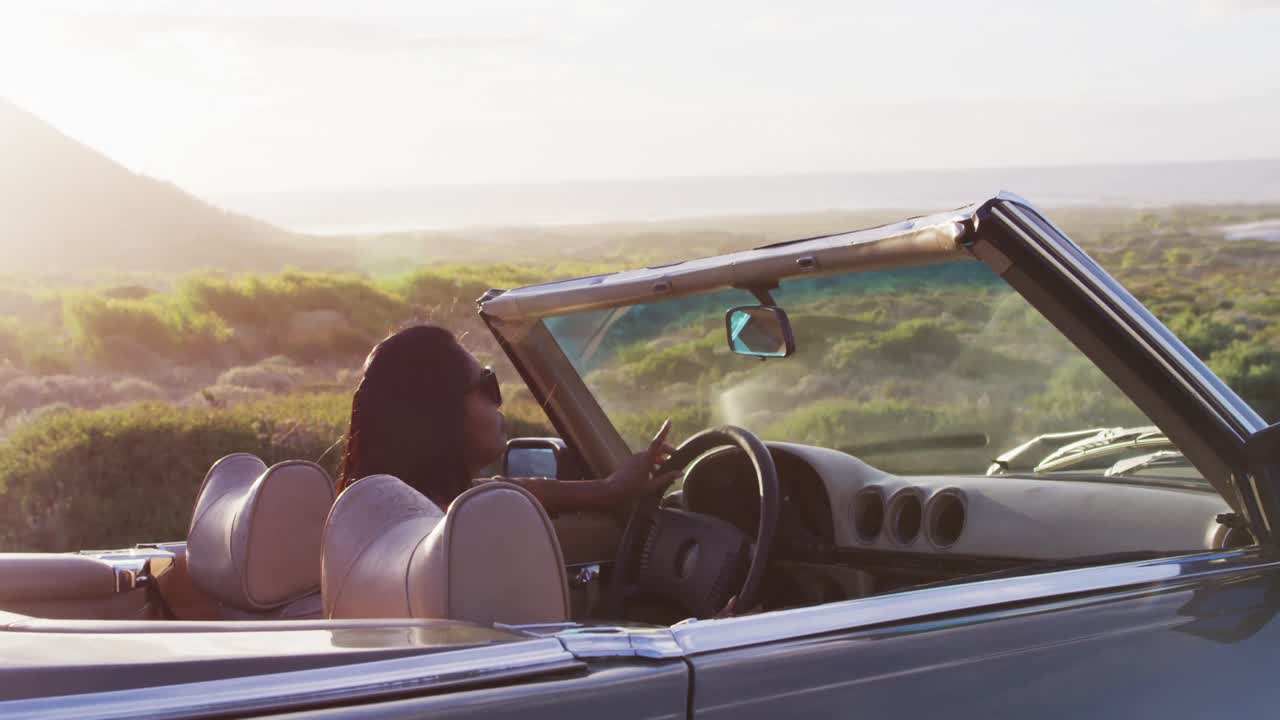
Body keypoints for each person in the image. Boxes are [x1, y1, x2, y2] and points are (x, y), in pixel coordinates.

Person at [336, 324, 680, 513]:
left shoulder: (378, 511)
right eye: (487, 386)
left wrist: (609, 490)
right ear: (442, 417)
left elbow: (509, 491)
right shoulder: (475, 526)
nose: (498, 402)